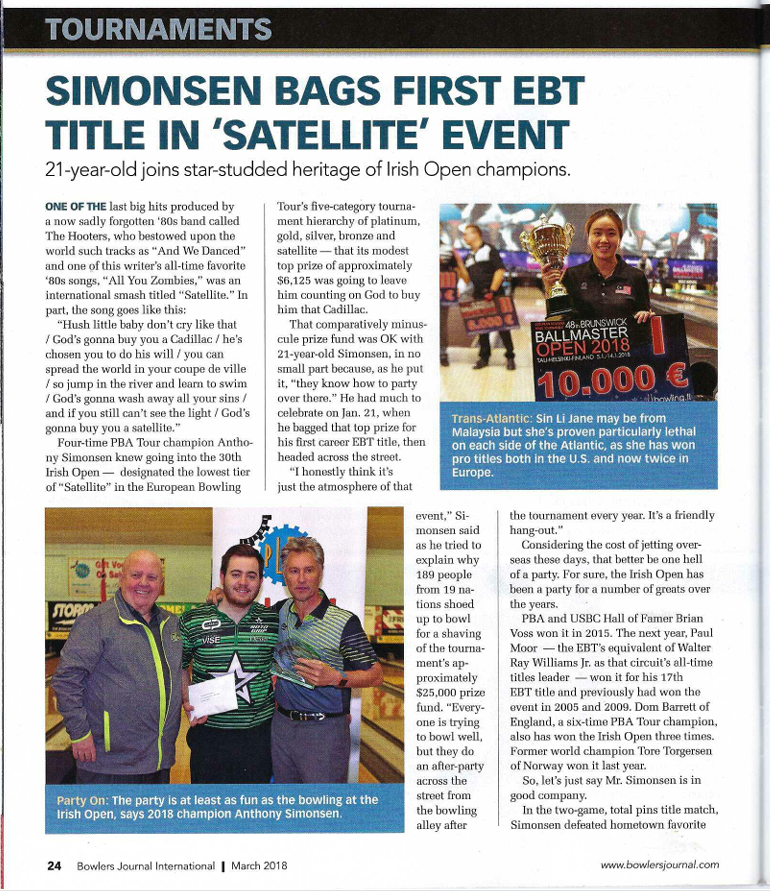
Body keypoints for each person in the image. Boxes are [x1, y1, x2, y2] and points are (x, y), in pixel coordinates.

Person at [52, 550, 182, 784]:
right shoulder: (95, 622)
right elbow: (66, 680)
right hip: (107, 763)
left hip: (159, 759)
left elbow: (178, 673)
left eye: (152, 577)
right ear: (121, 579)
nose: (144, 583)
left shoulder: (170, 624)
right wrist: (79, 733)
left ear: (161, 584)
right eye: (136, 575)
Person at [271, 537, 383, 783]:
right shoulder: (278, 612)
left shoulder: (343, 622)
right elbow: (242, 612)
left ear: (320, 572)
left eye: (309, 570)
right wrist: (219, 595)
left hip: (325, 732)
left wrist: (335, 678)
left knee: (323, 805)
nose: (301, 579)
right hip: (281, 727)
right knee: (286, 803)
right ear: (284, 575)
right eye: (294, 571)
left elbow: (376, 675)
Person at [180, 544, 278, 784]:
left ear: (260, 581)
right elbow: (180, 665)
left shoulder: (273, 620)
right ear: (222, 577)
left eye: (251, 576)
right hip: (208, 736)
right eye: (236, 574)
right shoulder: (192, 620)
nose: (243, 582)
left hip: (259, 737)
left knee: (253, 806)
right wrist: (187, 699)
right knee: (209, 806)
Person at [542, 208, 654, 323]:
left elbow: (644, 321)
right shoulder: (572, 276)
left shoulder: (637, 277)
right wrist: (551, 289)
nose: (604, 239)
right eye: (597, 233)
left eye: (611, 233)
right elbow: (559, 322)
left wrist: (645, 315)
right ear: (588, 238)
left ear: (620, 239)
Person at [453, 223, 516, 370]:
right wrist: (458, 264)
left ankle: (510, 356)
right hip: (478, 295)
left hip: (495, 294)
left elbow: (500, 271)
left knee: (503, 327)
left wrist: (492, 291)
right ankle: (484, 358)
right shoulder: (468, 257)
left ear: (476, 234)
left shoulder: (489, 249)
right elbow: (467, 279)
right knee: (481, 329)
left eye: (466, 234)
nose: (464, 237)